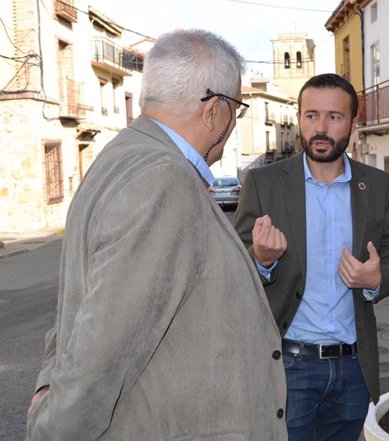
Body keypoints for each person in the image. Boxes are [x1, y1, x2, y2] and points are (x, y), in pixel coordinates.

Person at [25, 29, 287, 441]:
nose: (234, 120)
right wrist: (51, 430)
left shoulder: (121, 156)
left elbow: (84, 299)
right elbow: (104, 347)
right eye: (236, 107)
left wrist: (47, 381)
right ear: (215, 110)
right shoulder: (163, 179)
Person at [233, 73, 389, 440]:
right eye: (311, 116)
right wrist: (261, 259)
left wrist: (376, 280)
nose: (321, 128)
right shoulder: (263, 184)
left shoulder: (376, 185)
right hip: (289, 364)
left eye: (334, 117)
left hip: (353, 367)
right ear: (299, 118)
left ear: (352, 124)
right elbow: (235, 262)